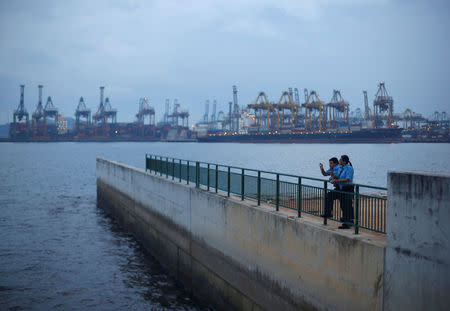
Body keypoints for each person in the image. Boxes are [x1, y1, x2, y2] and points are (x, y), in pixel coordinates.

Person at [331, 155, 354, 229]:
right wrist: (334, 177)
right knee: (343, 205)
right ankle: (347, 220)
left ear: (344, 161)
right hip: (342, 189)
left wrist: (336, 180)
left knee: (347, 206)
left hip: (348, 188)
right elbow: (340, 177)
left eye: (340, 160)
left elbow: (348, 179)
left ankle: (347, 223)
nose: (339, 161)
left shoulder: (349, 168)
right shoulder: (341, 168)